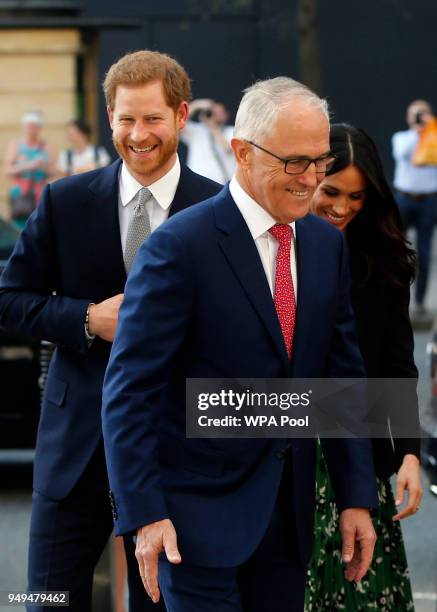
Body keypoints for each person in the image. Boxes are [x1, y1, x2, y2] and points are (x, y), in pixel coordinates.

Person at [102, 77, 378, 612]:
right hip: (193, 526)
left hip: (288, 523)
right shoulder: (178, 247)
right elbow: (128, 391)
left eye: (319, 161)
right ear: (242, 152)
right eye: (293, 162)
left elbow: (342, 378)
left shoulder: (324, 246)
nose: (310, 180)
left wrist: (356, 498)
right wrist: (144, 513)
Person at [0, 50, 221, 612]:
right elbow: (8, 300)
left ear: (181, 116)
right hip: (73, 447)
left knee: (160, 605)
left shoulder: (219, 211)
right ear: (109, 117)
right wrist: (85, 318)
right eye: (126, 119)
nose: (138, 134)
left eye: (152, 118)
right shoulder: (64, 200)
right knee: (43, 600)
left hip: (173, 453)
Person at [308, 123, 423, 611]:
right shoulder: (280, 248)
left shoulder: (384, 260)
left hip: (361, 449)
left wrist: (410, 455)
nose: (342, 207)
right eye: (331, 191)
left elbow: (398, 364)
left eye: (357, 197)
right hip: (287, 444)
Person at [392, 99, 437, 319]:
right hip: (404, 199)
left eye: (423, 114)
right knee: (395, 249)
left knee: (425, 252)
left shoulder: (435, 137)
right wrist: (420, 133)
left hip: (429, 200)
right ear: (409, 118)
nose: (419, 118)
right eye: (416, 115)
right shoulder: (401, 138)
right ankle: (395, 296)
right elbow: (403, 155)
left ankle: (419, 302)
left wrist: (430, 130)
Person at [4, 110, 56, 230]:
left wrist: (42, 165)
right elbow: (8, 170)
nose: (33, 129)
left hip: (40, 192)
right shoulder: (16, 145)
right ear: (25, 127)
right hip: (21, 193)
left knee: (40, 225)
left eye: (36, 126)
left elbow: (53, 171)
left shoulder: (46, 146)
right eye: (30, 126)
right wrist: (28, 165)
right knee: (19, 226)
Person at [180, 98, 235, 183]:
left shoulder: (231, 131)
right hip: (197, 184)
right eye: (213, 112)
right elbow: (179, 124)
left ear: (226, 115)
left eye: (220, 112)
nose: (215, 115)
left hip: (221, 185)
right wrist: (197, 105)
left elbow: (228, 149)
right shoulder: (197, 131)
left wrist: (213, 127)